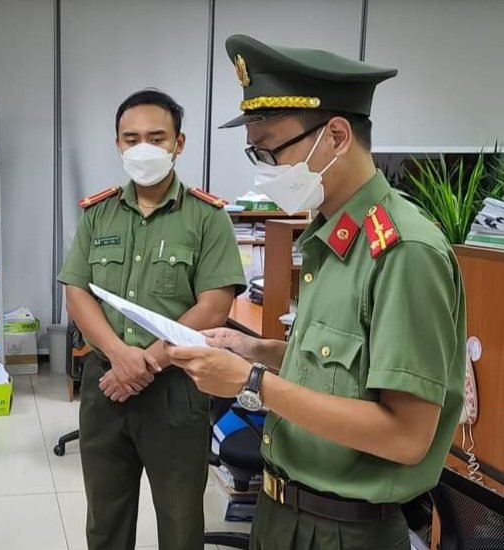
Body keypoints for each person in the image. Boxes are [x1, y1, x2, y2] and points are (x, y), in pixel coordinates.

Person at [167, 34, 466, 550]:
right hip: (283, 513)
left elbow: (405, 436)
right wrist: (258, 350)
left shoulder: (403, 251)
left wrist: (253, 382)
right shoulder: (332, 237)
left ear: (336, 136)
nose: (265, 169)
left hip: (346, 530)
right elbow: (342, 372)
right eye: (255, 153)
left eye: (271, 150)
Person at [57, 89, 246, 550]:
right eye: (132, 138)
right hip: (105, 386)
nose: (143, 148)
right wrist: (119, 355)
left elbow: (215, 305)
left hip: (176, 389)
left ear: (179, 143)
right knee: (105, 520)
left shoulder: (207, 217)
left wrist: (148, 362)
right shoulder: (98, 214)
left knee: (181, 524)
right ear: (118, 145)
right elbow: (77, 292)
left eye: (156, 138)